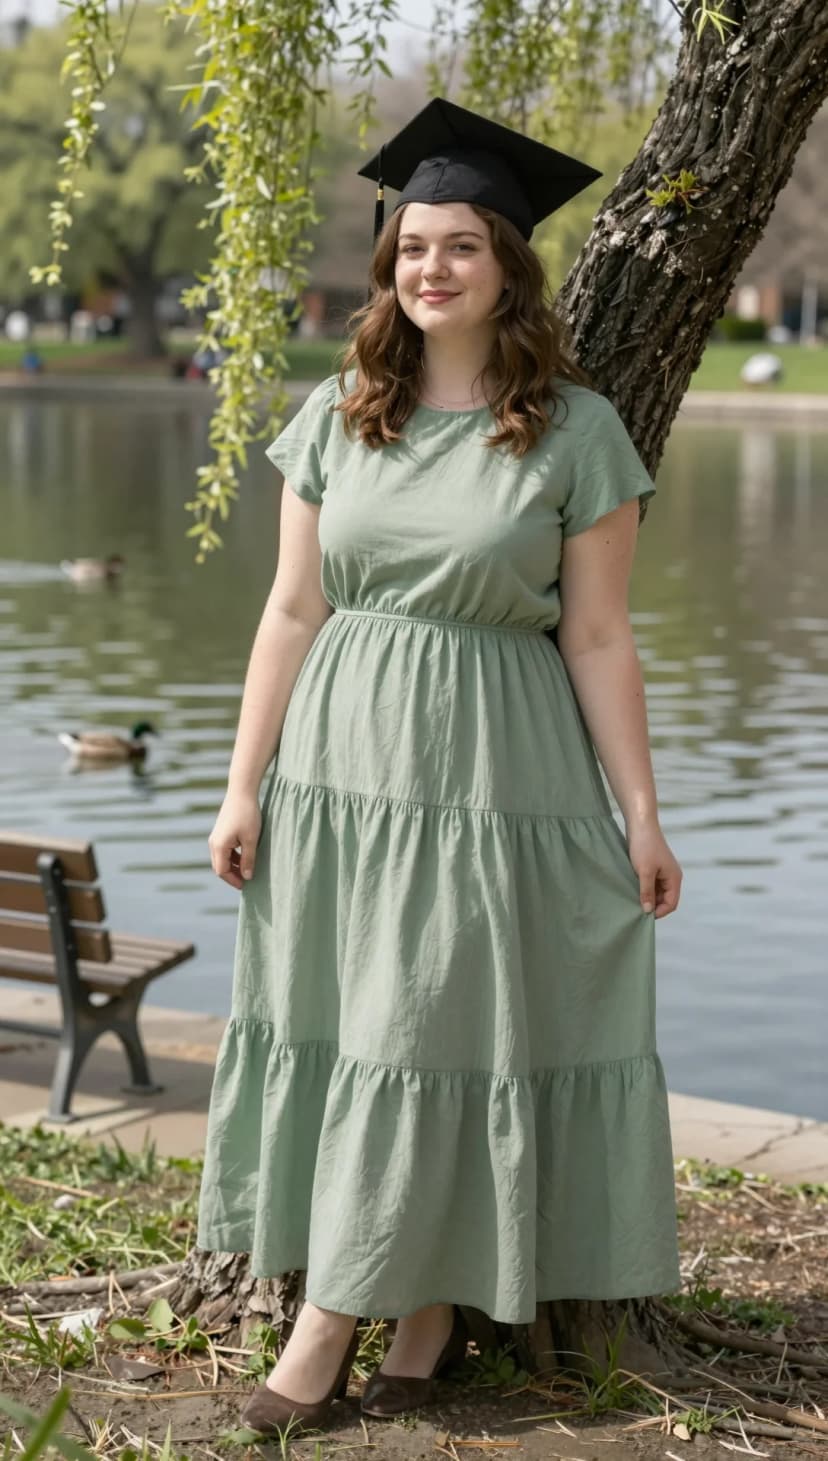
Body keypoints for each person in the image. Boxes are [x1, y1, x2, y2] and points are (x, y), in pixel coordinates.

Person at [197, 96, 683, 1437]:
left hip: (493, 781)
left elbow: (595, 634)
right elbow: (291, 611)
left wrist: (641, 812)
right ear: (389, 262)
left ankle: (327, 1329)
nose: (433, 268)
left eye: (461, 245)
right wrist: (243, 783)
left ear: (509, 267)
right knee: (361, 1032)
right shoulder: (337, 414)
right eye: (413, 244)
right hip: (343, 777)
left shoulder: (575, 432)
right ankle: (419, 1311)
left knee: (439, 1036)